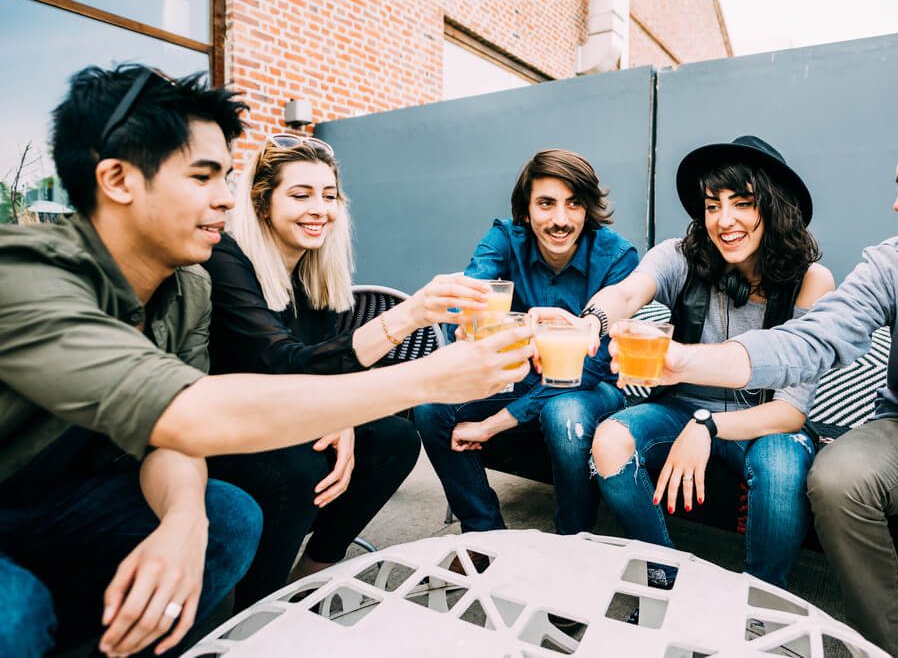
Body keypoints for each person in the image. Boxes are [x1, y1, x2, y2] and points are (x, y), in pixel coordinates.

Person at [0, 64, 531, 657]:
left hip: (86, 490)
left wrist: (181, 520)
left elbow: (169, 443)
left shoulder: (186, 290)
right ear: (119, 179)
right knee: (18, 610)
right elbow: (197, 411)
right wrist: (429, 374)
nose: (227, 199)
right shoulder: (24, 274)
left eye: (227, 178)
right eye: (204, 178)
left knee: (223, 518)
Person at [618, 103, 898, 658]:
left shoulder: (804, 274)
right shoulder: (890, 265)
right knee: (837, 475)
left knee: (782, 457)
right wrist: (679, 363)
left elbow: (793, 411)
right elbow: (809, 342)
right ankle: (888, 650)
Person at [202, 134, 492, 609]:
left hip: (284, 415)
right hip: (221, 429)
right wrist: (409, 315)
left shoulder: (312, 268)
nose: (319, 209)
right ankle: (259, 607)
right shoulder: (228, 259)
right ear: (261, 202)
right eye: (300, 195)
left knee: (395, 440)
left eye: (328, 195)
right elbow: (282, 361)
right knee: (299, 470)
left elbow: (325, 365)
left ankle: (313, 571)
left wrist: (341, 413)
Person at [567, 136, 834, 589]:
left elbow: (791, 411)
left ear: (774, 208)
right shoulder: (680, 257)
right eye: (712, 206)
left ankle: (761, 602)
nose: (724, 221)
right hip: (680, 408)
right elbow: (630, 291)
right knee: (610, 439)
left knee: (783, 467)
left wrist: (708, 426)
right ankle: (666, 576)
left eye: (742, 204)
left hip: (766, 422)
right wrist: (593, 320)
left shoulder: (811, 280)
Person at [414, 149, 639, 535]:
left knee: (563, 414)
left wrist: (495, 424)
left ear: (588, 207)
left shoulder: (617, 255)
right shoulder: (504, 237)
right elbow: (472, 302)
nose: (560, 220)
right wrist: (471, 322)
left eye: (573, 203)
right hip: (521, 375)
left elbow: (592, 366)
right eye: (546, 204)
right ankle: (484, 534)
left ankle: (573, 539)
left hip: (593, 385)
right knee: (429, 407)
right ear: (527, 209)